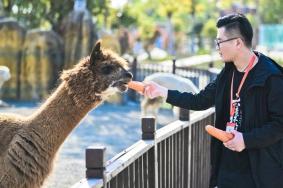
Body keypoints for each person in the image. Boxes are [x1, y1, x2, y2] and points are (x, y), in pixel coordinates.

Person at [143, 13, 283, 188]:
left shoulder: (272, 77)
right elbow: (200, 100)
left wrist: (246, 140)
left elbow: (279, 125)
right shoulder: (228, 72)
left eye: (219, 41)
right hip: (227, 168)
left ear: (237, 42)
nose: (217, 47)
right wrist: (162, 91)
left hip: (260, 172)